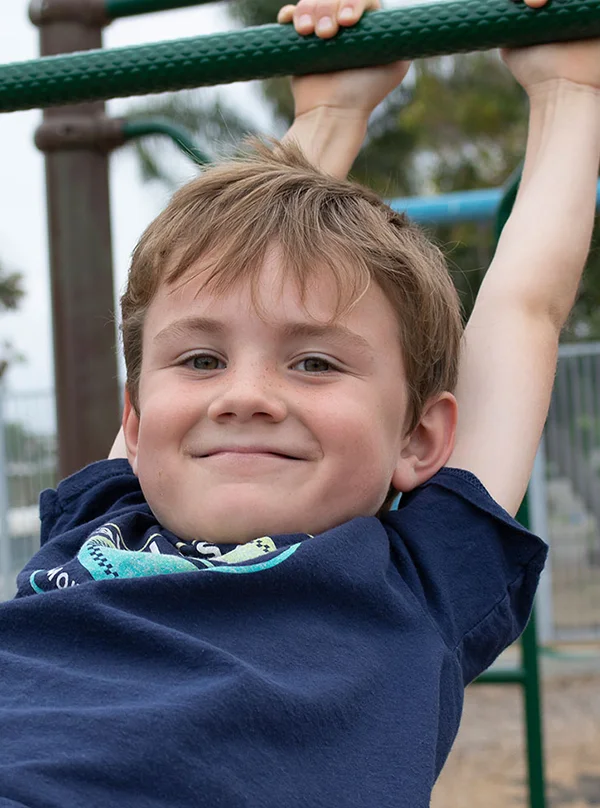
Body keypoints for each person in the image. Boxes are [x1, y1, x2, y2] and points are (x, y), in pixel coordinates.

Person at [1, 1, 599, 806]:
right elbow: (211, 271)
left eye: (314, 362)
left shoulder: (415, 581)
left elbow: (524, 311)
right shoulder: (108, 512)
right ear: (134, 428)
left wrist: (569, 88)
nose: (244, 396)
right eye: (205, 360)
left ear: (420, 440)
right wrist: (331, 107)